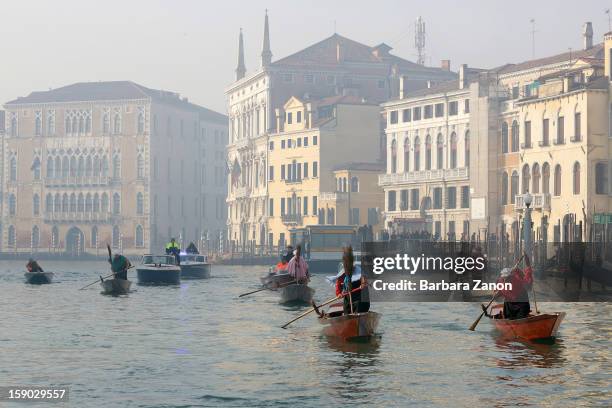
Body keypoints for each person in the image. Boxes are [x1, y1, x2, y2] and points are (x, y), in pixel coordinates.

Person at [488, 253, 533, 320]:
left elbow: (528, 281)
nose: (506, 280)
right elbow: (496, 293)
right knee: (508, 315)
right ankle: (507, 318)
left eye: (507, 278)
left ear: (511, 276)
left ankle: (521, 318)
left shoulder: (517, 280)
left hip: (521, 299)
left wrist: (528, 266)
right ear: (502, 276)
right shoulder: (500, 281)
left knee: (522, 314)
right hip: (509, 302)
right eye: (504, 278)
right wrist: (496, 294)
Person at [336, 246, 369, 315]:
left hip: (360, 299)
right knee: (346, 311)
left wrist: (363, 284)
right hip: (348, 299)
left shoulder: (358, 271)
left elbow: (364, 280)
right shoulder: (342, 274)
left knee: (358, 307)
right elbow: (338, 286)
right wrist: (339, 294)